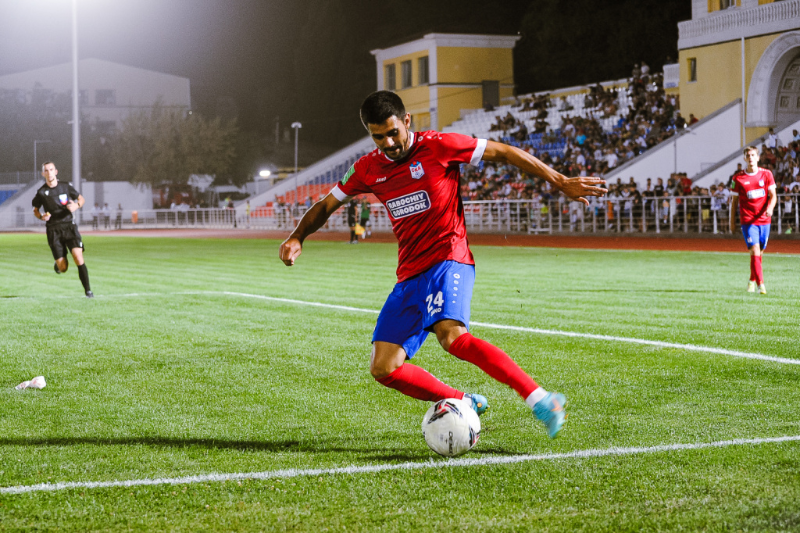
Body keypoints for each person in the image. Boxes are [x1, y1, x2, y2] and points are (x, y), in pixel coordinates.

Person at [279, 91, 607, 438]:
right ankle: (464, 401)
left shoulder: (440, 146)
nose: (389, 143)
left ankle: (542, 400)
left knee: (452, 337)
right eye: (378, 137)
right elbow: (326, 205)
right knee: (383, 367)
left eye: (393, 132)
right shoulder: (367, 168)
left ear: (407, 121)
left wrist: (560, 181)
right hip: (409, 274)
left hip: (449, 258)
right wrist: (298, 236)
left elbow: (504, 152)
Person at [31, 161, 94, 298]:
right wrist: (41, 216)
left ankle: (88, 291)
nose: (49, 173)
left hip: (69, 226)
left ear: (56, 171)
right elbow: (35, 209)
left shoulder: (66, 186)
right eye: (46, 170)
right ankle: (58, 264)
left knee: (78, 257)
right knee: (63, 268)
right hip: (53, 230)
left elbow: (81, 199)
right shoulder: (41, 192)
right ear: (43, 174)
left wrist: (76, 205)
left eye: (51, 170)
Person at [729, 146, 777, 295]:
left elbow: (773, 196)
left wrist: (770, 208)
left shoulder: (767, 174)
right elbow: (734, 202)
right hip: (748, 221)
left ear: (758, 157)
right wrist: (732, 222)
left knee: (758, 253)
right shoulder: (737, 178)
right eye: (748, 155)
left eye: (753, 155)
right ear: (745, 158)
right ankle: (761, 285)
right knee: (754, 249)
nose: (750, 158)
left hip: (764, 220)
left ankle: (751, 280)